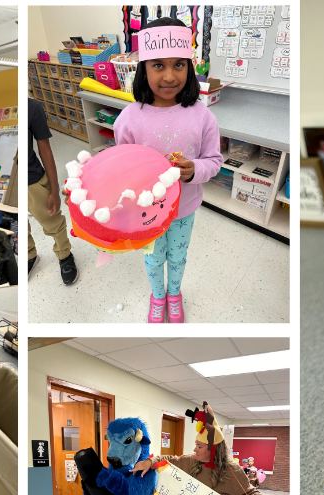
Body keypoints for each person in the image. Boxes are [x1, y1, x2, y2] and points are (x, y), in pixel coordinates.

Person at [113, 17, 224, 322]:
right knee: (152, 257)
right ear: (143, 69)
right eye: (158, 65)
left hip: (184, 209)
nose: (169, 75)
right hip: (146, 212)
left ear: (190, 68)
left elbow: (214, 161)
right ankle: (157, 297)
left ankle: (174, 294)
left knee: (177, 256)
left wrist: (193, 170)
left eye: (179, 64)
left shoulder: (202, 116)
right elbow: (120, 168)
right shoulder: (128, 119)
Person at [26, 98, 78, 285]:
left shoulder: (31, 107)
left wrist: (54, 190)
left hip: (32, 179)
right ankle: (29, 255)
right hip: (4, 182)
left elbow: (45, 149)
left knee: (51, 220)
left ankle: (64, 254)